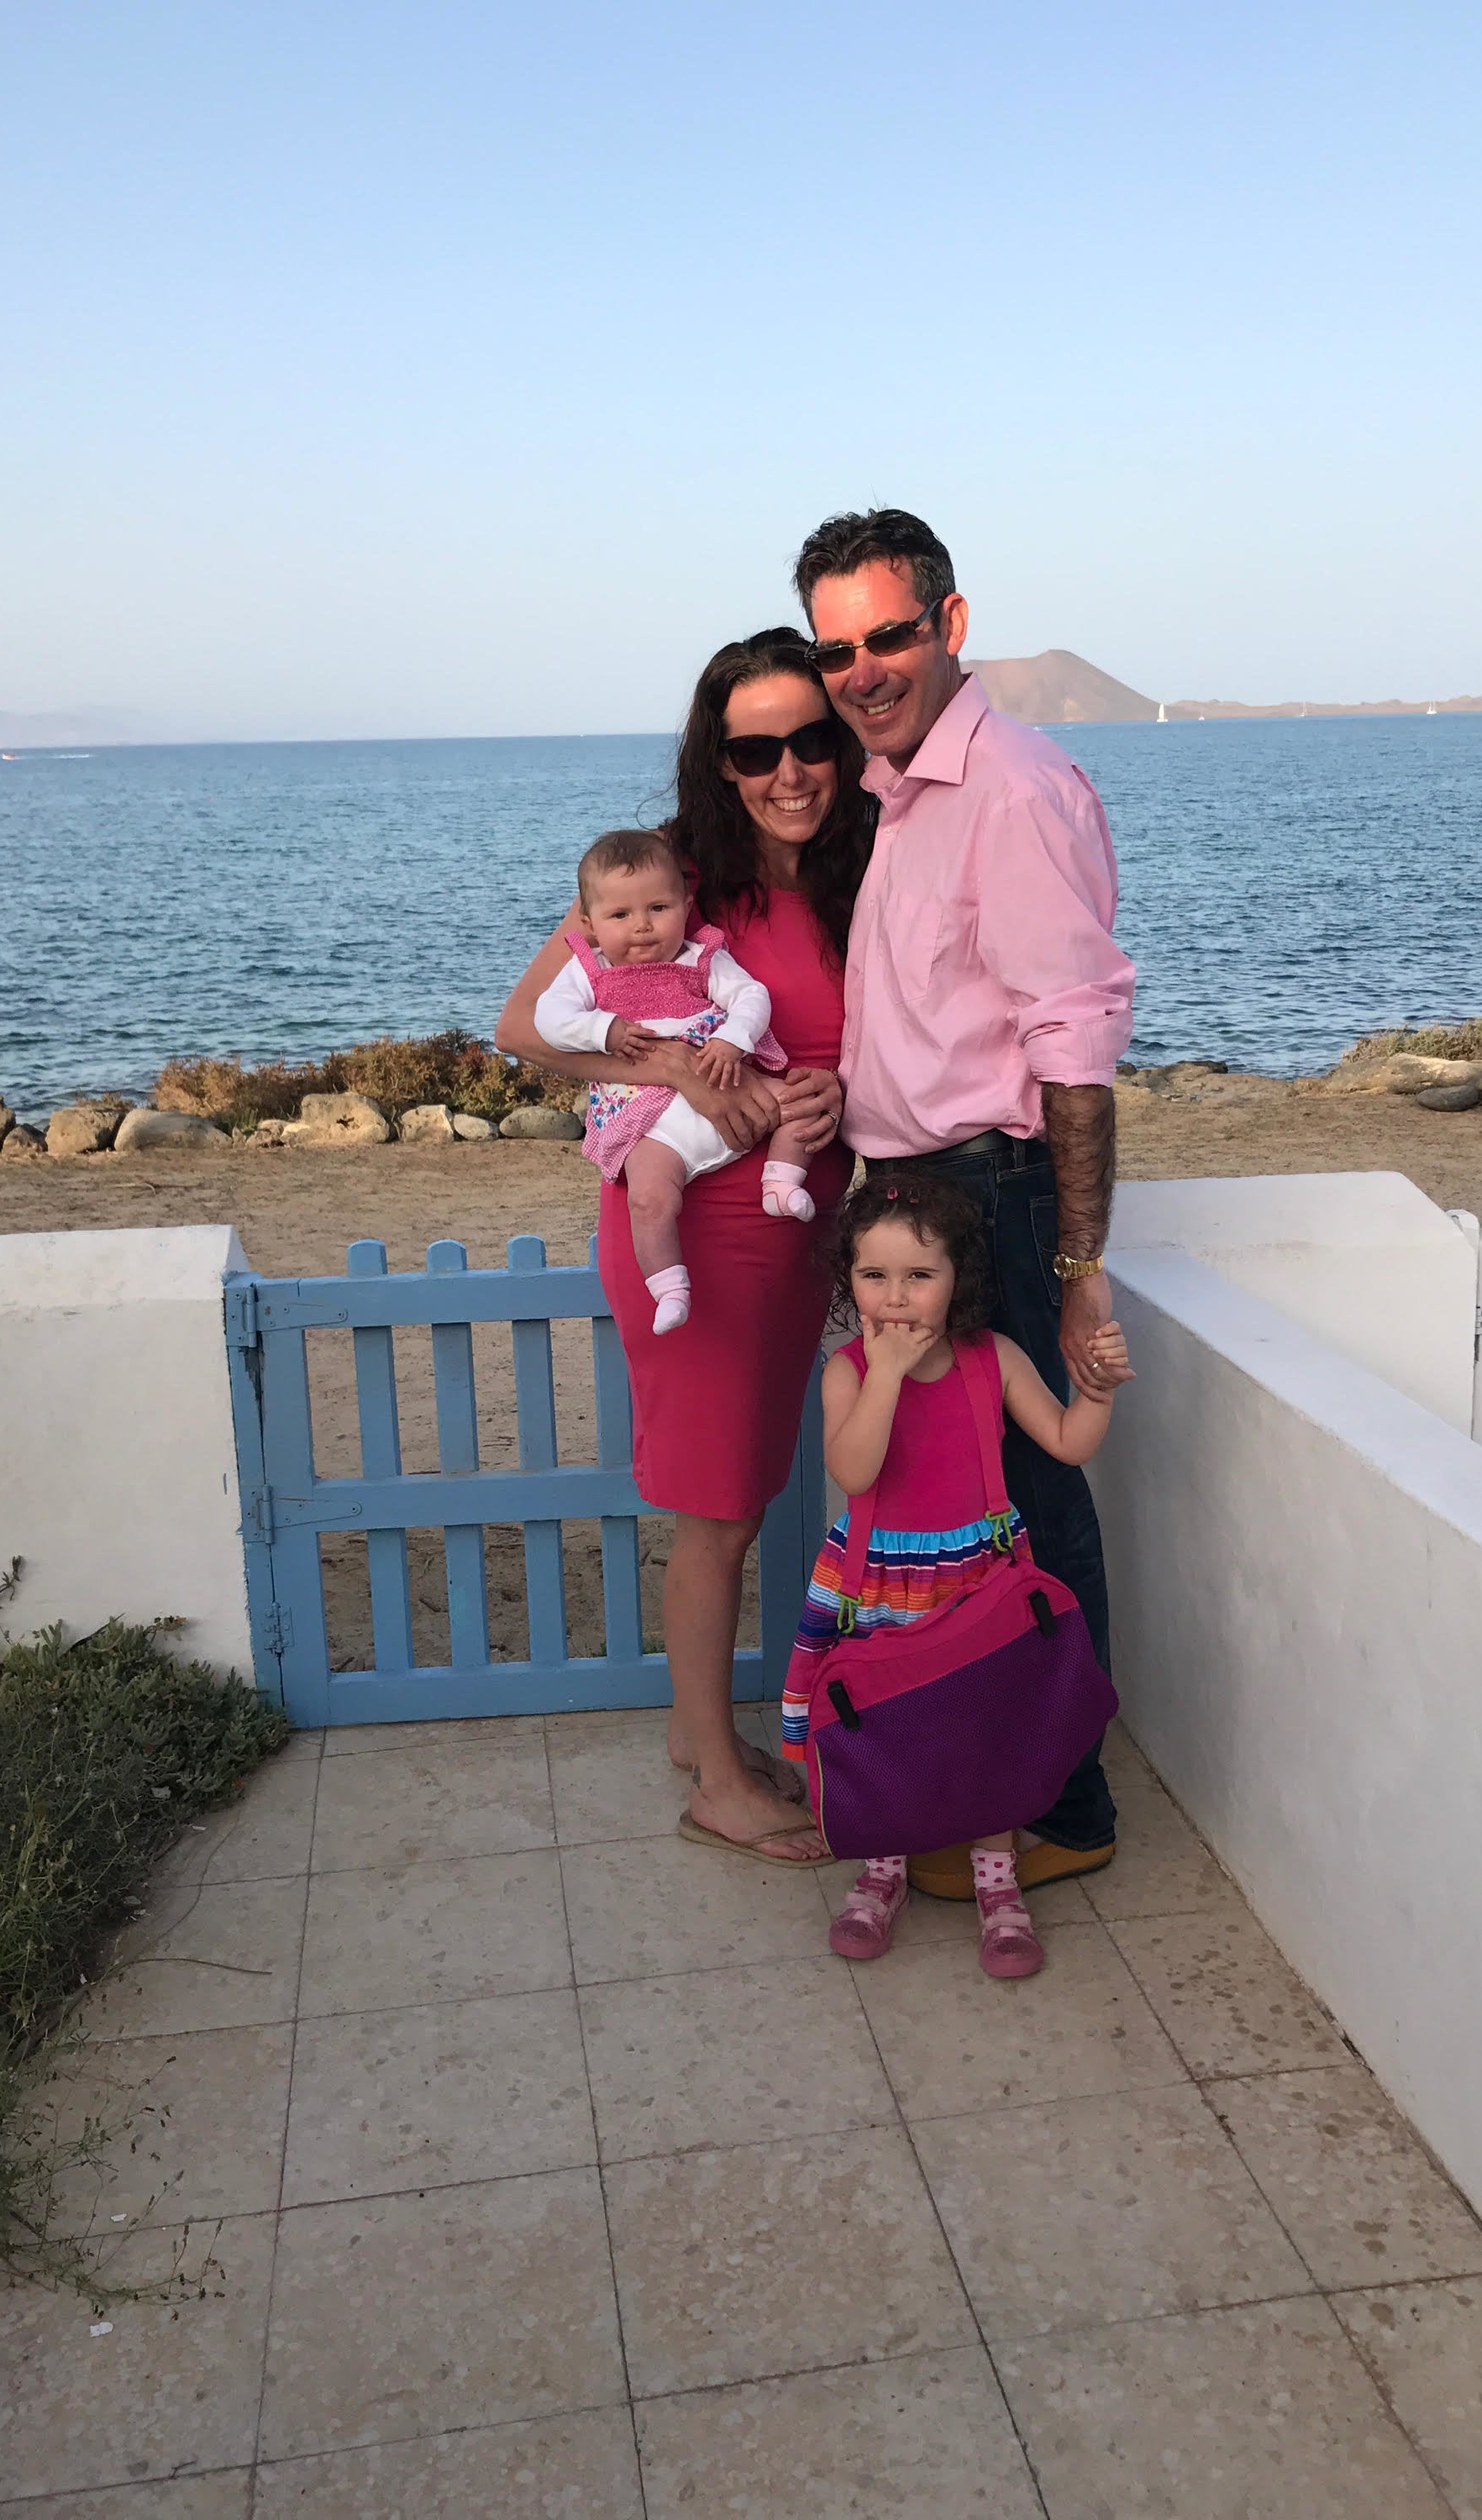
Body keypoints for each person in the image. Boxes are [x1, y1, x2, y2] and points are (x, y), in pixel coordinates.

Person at [794, 507, 1137, 1900]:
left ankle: (1072, 1806)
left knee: (1034, 1513)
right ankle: (994, 1777)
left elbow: (1075, 1045)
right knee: (966, 1518)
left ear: (950, 624)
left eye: (888, 635)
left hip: (992, 1197)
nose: (864, 669)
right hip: (918, 1194)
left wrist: (1076, 1263)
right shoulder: (904, 790)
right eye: (838, 650)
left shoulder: (1008, 786)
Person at [497, 629, 873, 1861]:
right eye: (754, 748)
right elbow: (527, 1026)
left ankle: (694, 1732)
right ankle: (715, 1775)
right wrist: (678, 1074)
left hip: (788, 1219)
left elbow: (857, 1052)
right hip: (688, 1227)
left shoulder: (860, 873)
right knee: (713, 1505)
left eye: (809, 740)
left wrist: (819, 1102)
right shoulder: (666, 878)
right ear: (718, 758)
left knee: (747, 1483)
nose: (788, 771)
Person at [781, 1175, 1132, 1973]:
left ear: (957, 1282)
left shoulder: (992, 1359)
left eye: (919, 1276)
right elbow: (855, 1468)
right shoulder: (846, 1373)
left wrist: (1099, 1391)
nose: (896, 1298)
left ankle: (997, 1881)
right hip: (879, 1585)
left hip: (978, 1579)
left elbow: (1070, 1442)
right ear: (849, 1282)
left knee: (985, 1722)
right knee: (889, 1720)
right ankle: (883, 1867)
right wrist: (887, 1375)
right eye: (874, 1277)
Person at [533, 829, 820, 1336]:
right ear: (590, 925)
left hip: (726, 1078)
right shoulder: (588, 973)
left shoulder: (701, 958)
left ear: (687, 906)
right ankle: (669, 1287)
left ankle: (781, 1178)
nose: (641, 927)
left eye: (658, 908)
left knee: (801, 1106)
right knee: (648, 1199)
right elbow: (547, 1019)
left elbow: (752, 996)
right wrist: (604, 1029)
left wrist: (734, 1038)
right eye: (620, 916)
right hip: (651, 1122)